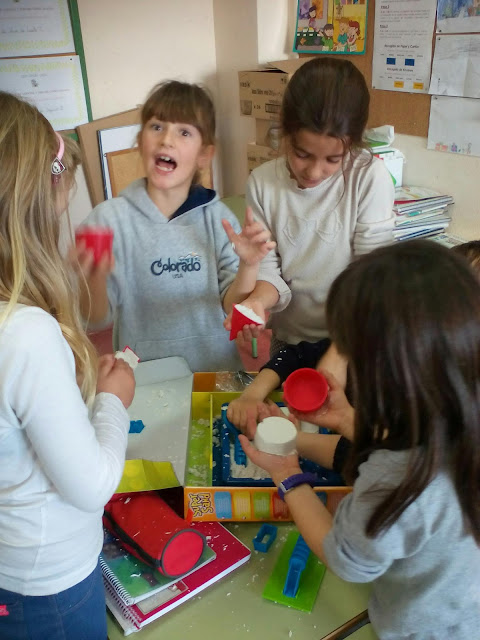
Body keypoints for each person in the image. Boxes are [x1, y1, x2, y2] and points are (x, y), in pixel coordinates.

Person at [240, 240, 480, 640]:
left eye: (347, 350)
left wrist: (288, 475)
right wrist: (351, 421)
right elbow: (415, 443)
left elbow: (345, 559)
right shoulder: (459, 402)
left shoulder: (395, 481)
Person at [0, 92, 136, 640]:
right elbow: (92, 485)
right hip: (48, 582)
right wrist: (113, 401)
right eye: (60, 211)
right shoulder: (24, 334)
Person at [76, 80, 274, 372]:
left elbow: (234, 306)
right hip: (140, 377)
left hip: (214, 371)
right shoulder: (108, 221)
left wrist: (249, 265)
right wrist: (92, 276)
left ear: (204, 155)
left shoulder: (219, 221)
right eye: (157, 127)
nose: (167, 139)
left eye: (184, 132)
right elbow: (95, 319)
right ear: (140, 142)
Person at [228, 57, 395, 359]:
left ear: (353, 143)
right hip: (290, 339)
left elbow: (373, 276)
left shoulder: (369, 177)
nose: (315, 172)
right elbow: (269, 270)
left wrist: (340, 352)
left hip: (353, 338)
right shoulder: (263, 183)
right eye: (302, 154)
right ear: (286, 132)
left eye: (333, 159)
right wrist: (257, 302)